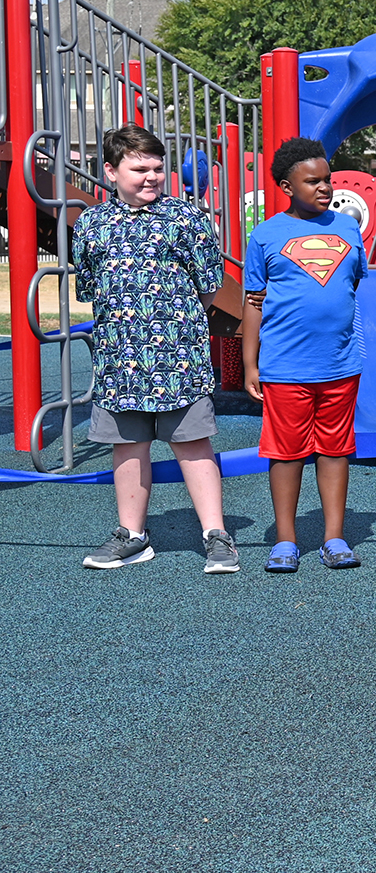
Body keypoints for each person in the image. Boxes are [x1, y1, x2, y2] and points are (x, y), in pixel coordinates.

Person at [74, 126, 236, 574]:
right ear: (110, 170)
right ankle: (133, 535)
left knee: (193, 444)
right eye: (139, 169)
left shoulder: (185, 218)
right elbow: (89, 286)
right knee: (127, 447)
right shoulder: (91, 223)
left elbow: (208, 285)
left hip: (178, 361)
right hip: (118, 362)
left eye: (158, 169)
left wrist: (176, 322)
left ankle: (216, 535)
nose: (151, 177)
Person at [241, 137, 370, 572]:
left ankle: (334, 537)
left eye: (327, 180)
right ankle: (285, 540)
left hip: (339, 364)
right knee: (287, 452)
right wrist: (249, 363)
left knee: (335, 450)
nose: (324, 188)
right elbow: (254, 301)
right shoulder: (266, 235)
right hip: (284, 366)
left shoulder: (348, 228)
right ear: (285, 185)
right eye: (312, 181)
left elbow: (351, 287)